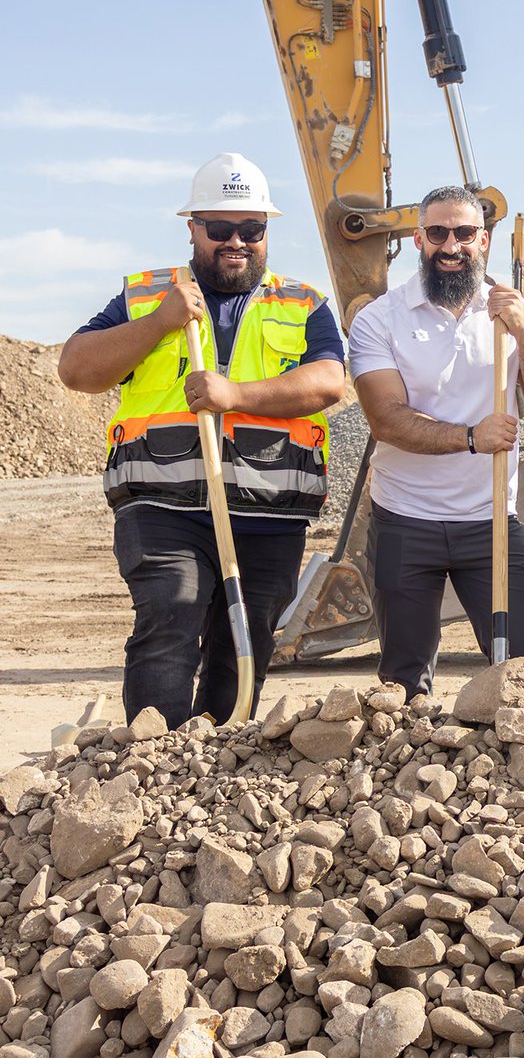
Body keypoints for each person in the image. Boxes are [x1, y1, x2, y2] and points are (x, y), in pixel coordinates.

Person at [58, 153, 345, 728]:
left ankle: (217, 758)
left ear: (267, 231)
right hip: (164, 506)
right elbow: (77, 369)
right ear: (192, 229)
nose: (235, 241)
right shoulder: (145, 297)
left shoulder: (303, 302)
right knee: (172, 614)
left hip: (270, 511)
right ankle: (155, 762)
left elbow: (327, 382)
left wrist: (234, 394)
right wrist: (158, 323)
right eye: (219, 229)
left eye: (251, 229)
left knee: (247, 635)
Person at [348, 185, 524, 700]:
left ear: (485, 241)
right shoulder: (380, 319)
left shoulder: (509, 316)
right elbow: (386, 420)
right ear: (417, 240)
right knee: (403, 684)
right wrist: (472, 438)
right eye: (437, 233)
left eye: (464, 233)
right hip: (405, 519)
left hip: (491, 519)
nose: (451, 246)